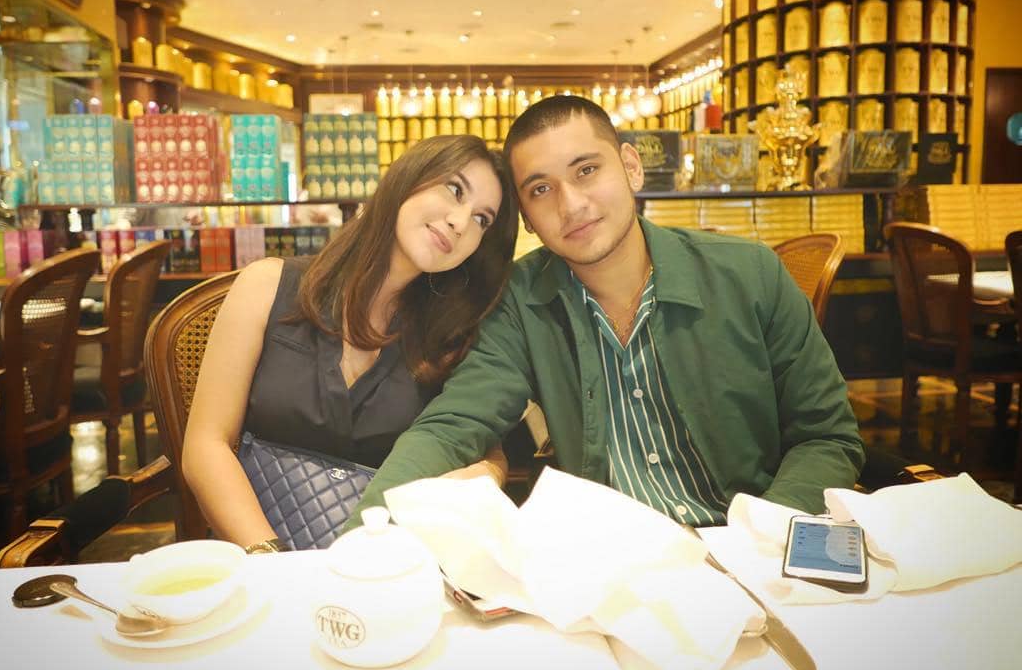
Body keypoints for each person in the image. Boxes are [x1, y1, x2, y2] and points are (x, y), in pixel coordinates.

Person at [349, 96, 864, 528]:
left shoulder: (749, 273)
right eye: (541, 189)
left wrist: (763, 537)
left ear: (631, 167)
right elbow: (454, 425)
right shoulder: (519, 303)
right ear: (526, 217)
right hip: (607, 565)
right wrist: (363, 540)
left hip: (746, 545)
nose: (571, 204)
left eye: (587, 170)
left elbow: (826, 435)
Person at [182, 134, 519, 552]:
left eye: (483, 219)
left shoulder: (454, 335)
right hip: (258, 556)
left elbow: (482, 445)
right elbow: (206, 443)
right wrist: (270, 559)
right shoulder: (267, 286)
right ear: (408, 176)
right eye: (454, 189)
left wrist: (489, 473)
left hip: (383, 562)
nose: (460, 222)